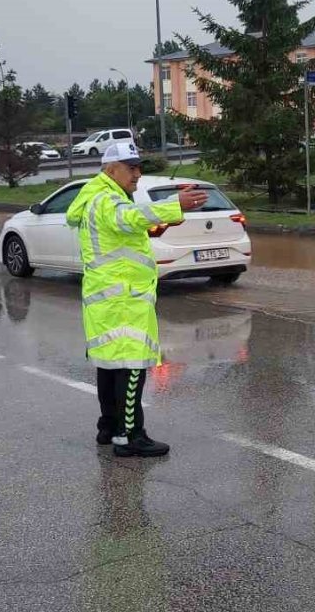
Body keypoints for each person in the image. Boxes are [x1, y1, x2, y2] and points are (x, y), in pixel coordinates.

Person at [65, 142, 207, 457]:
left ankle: (108, 428)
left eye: (139, 167)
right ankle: (129, 436)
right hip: (123, 302)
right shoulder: (106, 199)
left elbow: (128, 228)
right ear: (110, 169)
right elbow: (128, 217)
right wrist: (174, 204)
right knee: (131, 369)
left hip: (108, 301)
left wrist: (161, 223)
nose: (137, 173)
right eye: (131, 168)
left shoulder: (97, 196)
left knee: (110, 368)